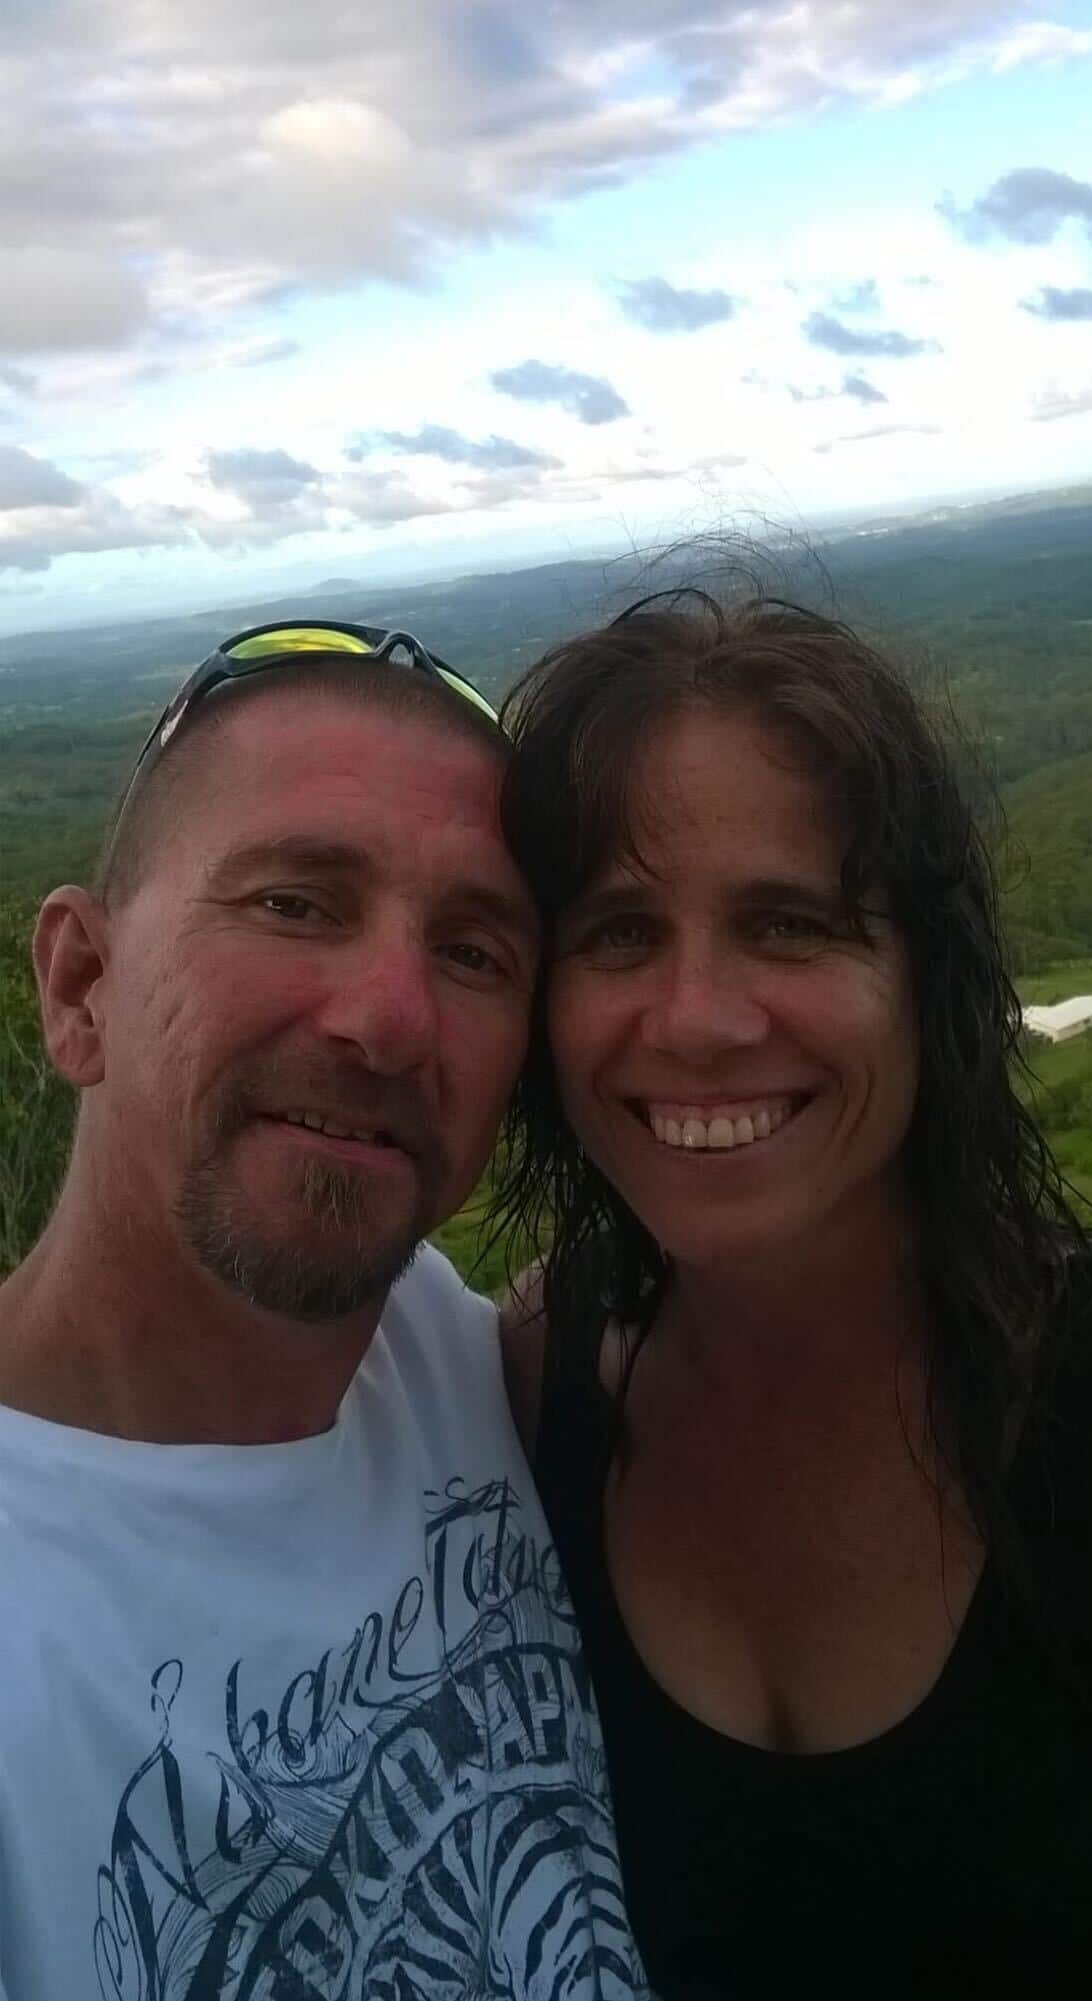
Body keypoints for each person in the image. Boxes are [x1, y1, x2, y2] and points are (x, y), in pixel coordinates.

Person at [494, 589, 1092, 1992]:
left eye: (791, 922)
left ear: (928, 979)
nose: (697, 1017)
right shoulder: (527, 1382)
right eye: (617, 931)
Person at [0, 622, 648, 2000]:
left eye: (474, 951)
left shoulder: (454, 1355)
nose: (388, 1019)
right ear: (78, 987)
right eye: (296, 902)